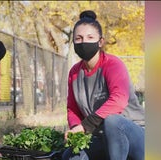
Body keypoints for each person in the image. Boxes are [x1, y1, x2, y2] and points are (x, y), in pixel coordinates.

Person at [62, 10, 145, 160]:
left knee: (112, 122)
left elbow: (119, 100)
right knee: (71, 156)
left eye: (90, 37)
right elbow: (72, 108)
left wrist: (85, 126)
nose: (84, 42)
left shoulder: (113, 65)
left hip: (136, 135)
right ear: (73, 42)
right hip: (100, 136)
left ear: (100, 42)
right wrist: (76, 128)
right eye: (78, 38)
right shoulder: (74, 72)